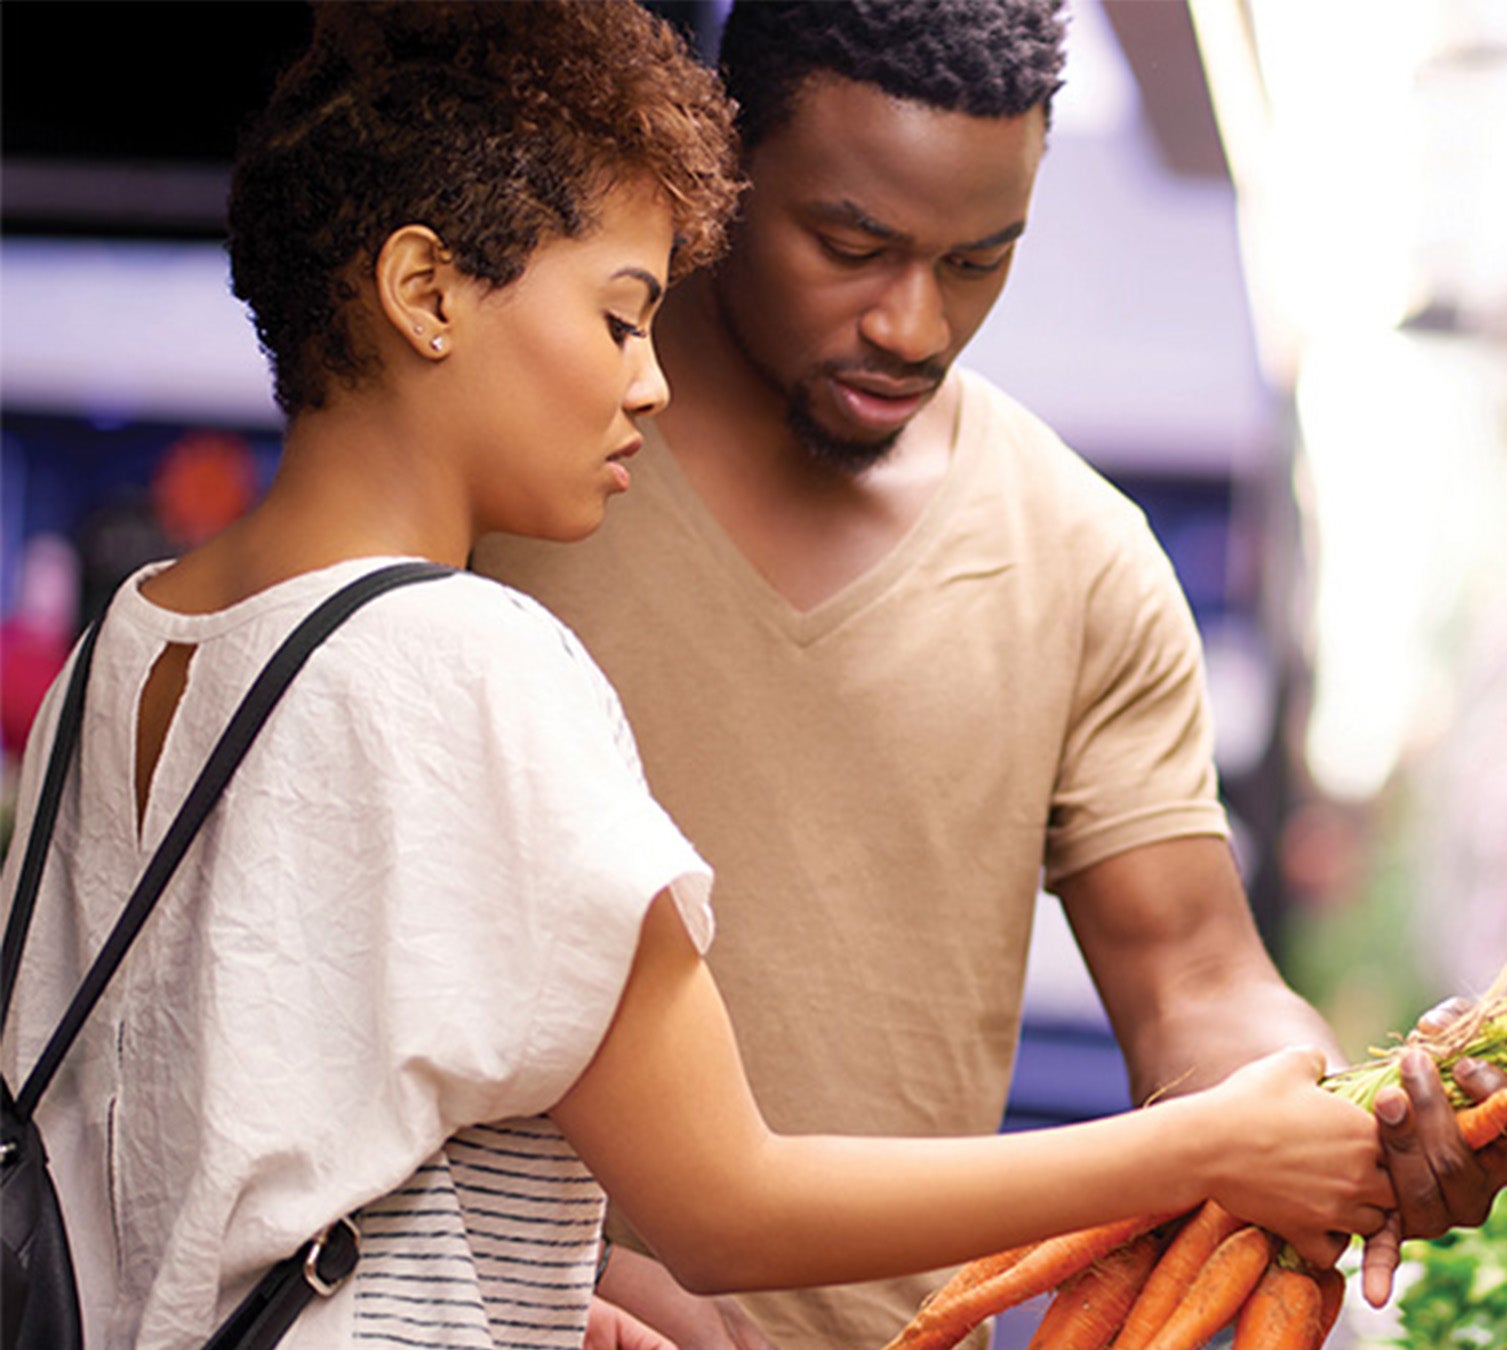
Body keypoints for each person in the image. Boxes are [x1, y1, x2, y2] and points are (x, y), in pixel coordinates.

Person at [0, 5, 1394, 1349]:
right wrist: (1197, 1146)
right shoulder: (481, 658)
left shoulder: (117, 652)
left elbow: (213, 1112)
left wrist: (541, 1269)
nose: (647, 379)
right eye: (622, 318)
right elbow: (725, 1206)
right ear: (427, 291)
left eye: (980, 260)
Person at [473, 3, 1507, 1345]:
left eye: (981, 260)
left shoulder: (1082, 554)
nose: (915, 324)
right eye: (849, 246)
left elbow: (1195, 975)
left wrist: (1346, 1107)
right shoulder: (508, 484)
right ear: (721, 172)